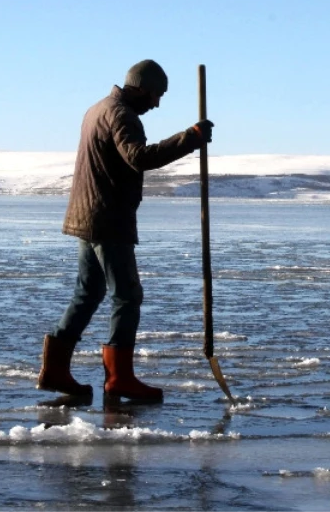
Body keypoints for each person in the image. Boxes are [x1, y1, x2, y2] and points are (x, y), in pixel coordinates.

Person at [37, 59, 212, 402]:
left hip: (89, 216)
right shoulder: (121, 114)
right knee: (127, 296)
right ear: (142, 88)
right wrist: (189, 139)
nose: (156, 104)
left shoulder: (98, 109)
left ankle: (55, 370)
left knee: (88, 294)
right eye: (156, 95)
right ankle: (119, 378)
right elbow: (139, 157)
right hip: (107, 219)